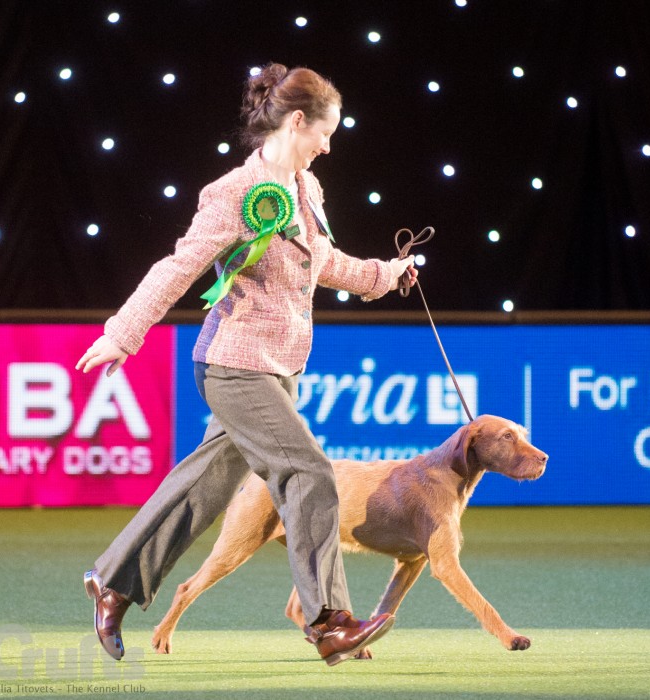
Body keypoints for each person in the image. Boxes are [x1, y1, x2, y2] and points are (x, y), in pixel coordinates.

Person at [76, 62, 417, 667]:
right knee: (310, 471)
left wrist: (384, 277)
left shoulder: (307, 191)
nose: (329, 144)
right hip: (234, 365)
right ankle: (328, 621)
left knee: (201, 489)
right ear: (295, 121)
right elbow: (177, 268)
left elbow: (324, 264)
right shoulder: (233, 193)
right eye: (325, 131)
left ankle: (114, 581)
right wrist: (122, 334)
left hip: (279, 368)